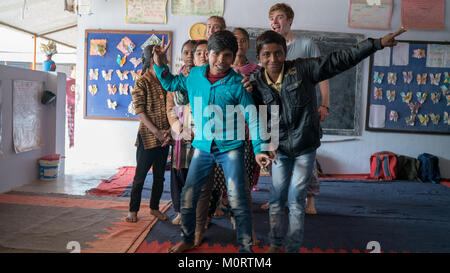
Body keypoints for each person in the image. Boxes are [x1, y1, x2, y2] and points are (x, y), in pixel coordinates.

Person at [251, 28, 406, 253]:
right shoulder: (256, 83)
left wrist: (377, 43)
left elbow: (340, 60)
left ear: (285, 53)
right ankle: (275, 245)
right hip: (279, 149)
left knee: (296, 198)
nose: (273, 59)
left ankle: (292, 247)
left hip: (305, 145)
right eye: (267, 55)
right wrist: (265, 145)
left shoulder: (303, 69)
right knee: (276, 199)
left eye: (278, 53)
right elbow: (257, 117)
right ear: (258, 57)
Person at [152, 31, 271, 253]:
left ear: (234, 57)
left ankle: (246, 247)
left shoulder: (238, 83)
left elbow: (253, 117)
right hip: (203, 146)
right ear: (208, 54)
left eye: (227, 56)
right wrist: (159, 64)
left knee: (238, 198)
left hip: (231, 148)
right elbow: (170, 83)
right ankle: (188, 239)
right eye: (216, 54)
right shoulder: (194, 75)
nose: (221, 60)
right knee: (189, 194)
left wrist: (258, 149)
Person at [260, 2, 331, 214]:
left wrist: (324, 104)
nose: (275, 21)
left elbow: (323, 77)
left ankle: (310, 200)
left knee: (306, 157)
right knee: (276, 158)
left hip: (302, 114)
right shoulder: (267, 47)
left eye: (280, 17)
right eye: (272, 18)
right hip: (276, 115)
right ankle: (278, 199)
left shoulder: (306, 45)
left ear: (289, 20)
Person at [126, 45, 173, 223]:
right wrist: (158, 133)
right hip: (148, 137)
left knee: (160, 176)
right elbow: (140, 111)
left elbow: (172, 107)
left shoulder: (166, 80)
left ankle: (154, 208)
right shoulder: (142, 81)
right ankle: (133, 210)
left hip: (165, 137)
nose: (166, 60)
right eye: (162, 57)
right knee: (140, 176)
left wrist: (168, 132)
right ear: (152, 59)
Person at [167, 40, 197, 225]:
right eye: (185, 52)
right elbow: (170, 105)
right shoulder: (176, 79)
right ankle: (180, 211)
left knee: (200, 173)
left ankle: (200, 213)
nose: (189, 55)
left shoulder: (206, 76)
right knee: (179, 171)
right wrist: (178, 127)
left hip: (202, 130)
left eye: (193, 52)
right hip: (181, 132)